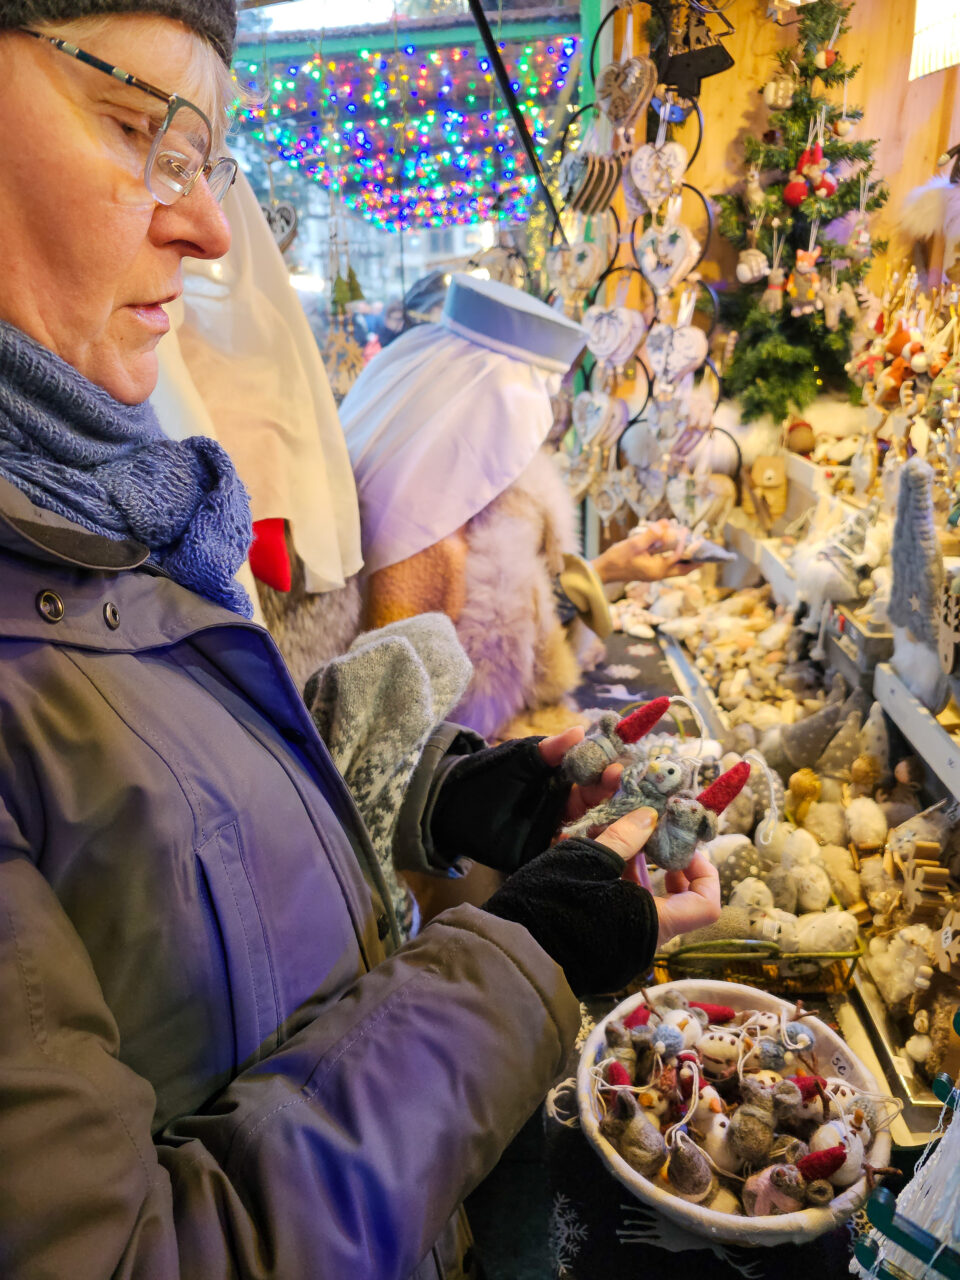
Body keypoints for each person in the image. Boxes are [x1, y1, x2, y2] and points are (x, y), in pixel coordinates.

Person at [0, 9, 720, 1280]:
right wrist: (518, 964)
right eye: (131, 126)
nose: (213, 228)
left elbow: (161, 810)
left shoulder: (113, 491)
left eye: (208, 155)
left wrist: (434, 795)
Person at [340, 274, 696, 743]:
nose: (547, 411)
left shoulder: (501, 488)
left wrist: (611, 569)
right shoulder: (421, 539)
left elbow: (525, 614)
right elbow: (400, 734)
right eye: (538, 393)